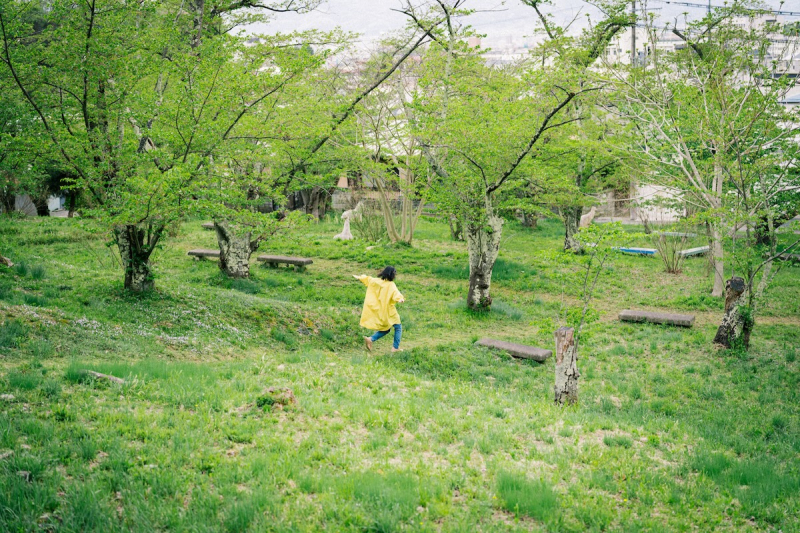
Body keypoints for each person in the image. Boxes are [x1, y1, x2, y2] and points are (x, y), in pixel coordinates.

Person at [353, 266, 405, 352]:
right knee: (398, 327)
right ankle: (395, 348)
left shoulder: (376, 281)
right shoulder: (391, 285)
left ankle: (370, 339)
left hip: (381, 311)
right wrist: (400, 299)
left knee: (386, 329)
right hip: (389, 311)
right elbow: (396, 293)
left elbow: (368, 279)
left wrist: (359, 277)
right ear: (392, 275)